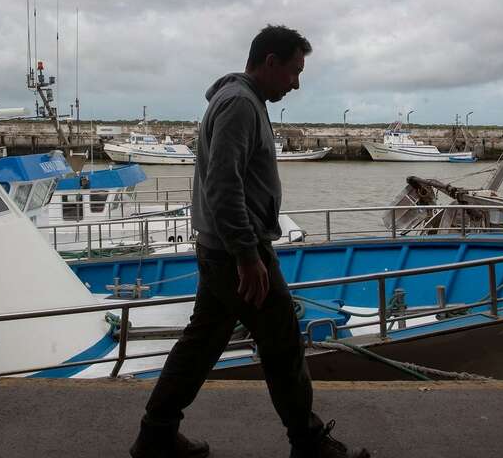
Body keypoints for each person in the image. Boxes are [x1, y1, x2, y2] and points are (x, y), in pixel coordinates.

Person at [130, 25, 369, 458]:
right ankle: (309, 443)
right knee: (283, 345)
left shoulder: (238, 100)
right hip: (236, 251)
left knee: (202, 343)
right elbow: (224, 184)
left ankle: (156, 434)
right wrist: (246, 255)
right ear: (270, 62)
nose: (296, 84)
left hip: (221, 248)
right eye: (294, 72)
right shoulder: (241, 104)